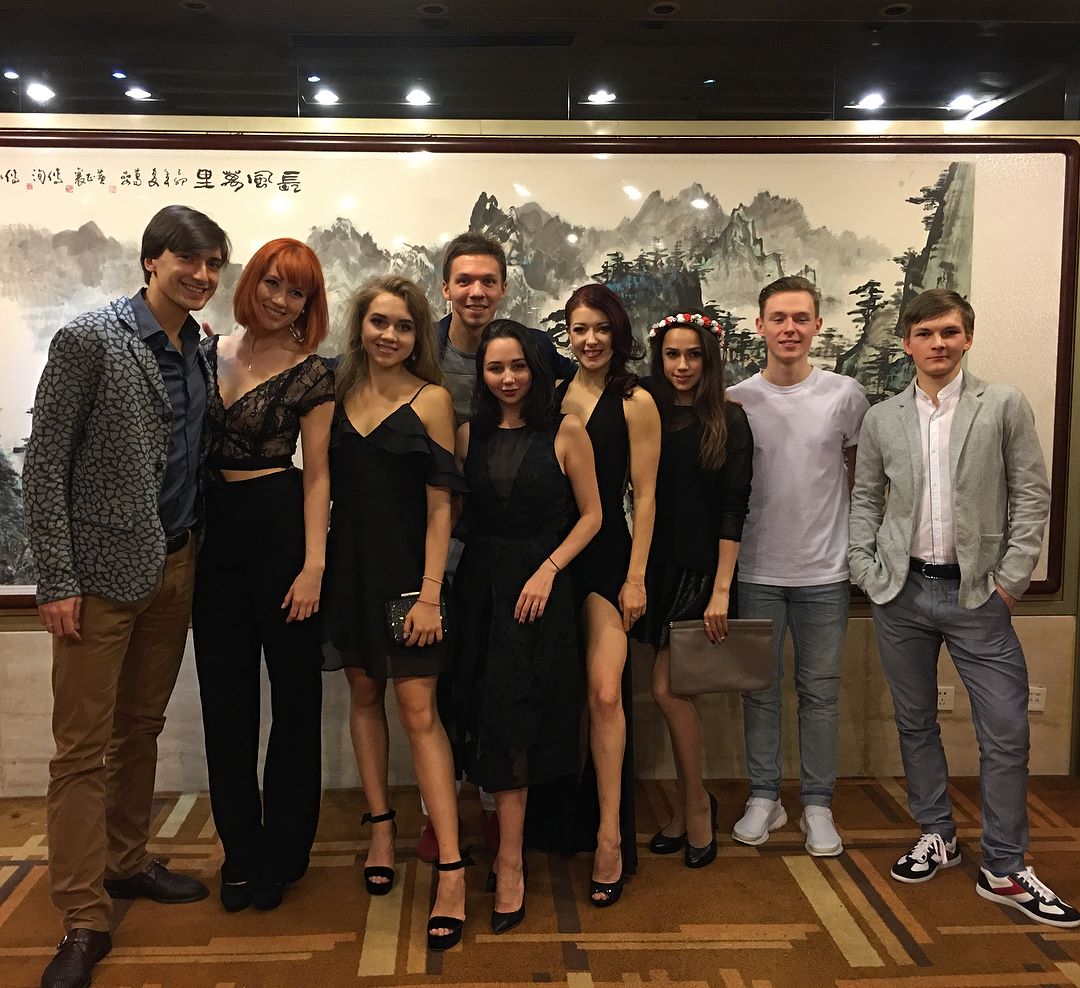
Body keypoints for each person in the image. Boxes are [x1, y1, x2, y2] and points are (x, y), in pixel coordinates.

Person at [24, 205, 230, 988]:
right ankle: (82, 915)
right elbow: (46, 464)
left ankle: (125, 859)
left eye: (213, 263)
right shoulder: (90, 339)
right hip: (96, 581)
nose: (202, 275)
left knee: (139, 729)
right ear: (152, 261)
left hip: (175, 566)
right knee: (81, 749)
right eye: (188, 260)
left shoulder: (199, 348)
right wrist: (58, 579)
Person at [849, 288, 1078, 928]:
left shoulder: (1001, 404)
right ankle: (937, 834)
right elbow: (865, 497)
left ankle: (1004, 866)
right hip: (901, 593)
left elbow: (1031, 495)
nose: (938, 343)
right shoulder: (882, 418)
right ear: (907, 344)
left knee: (1005, 730)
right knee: (915, 722)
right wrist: (864, 568)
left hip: (979, 595)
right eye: (925, 333)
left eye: (949, 332)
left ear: (967, 338)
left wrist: (1011, 582)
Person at [415, 230, 575, 863]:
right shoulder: (421, 352)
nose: (475, 292)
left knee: (499, 689)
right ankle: (438, 813)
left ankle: (490, 810)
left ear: (504, 287)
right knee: (442, 688)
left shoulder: (534, 350)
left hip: (511, 555)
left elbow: (581, 393)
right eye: (464, 280)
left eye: (487, 281)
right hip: (438, 544)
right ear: (446, 288)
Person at [320, 276, 467, 951]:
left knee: (418, 711)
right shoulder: (335, 392)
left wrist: (431, 593)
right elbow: (318, 485)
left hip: (411, 579)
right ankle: (381, 827)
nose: (390, 335)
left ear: (418, 336)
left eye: (404, 326)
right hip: (349, 574)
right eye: (380, 322)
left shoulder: (431, 399)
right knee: (363, 695)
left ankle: (452, 867)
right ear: (361, 325)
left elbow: (442, 506)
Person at [191, 238, 334, 914]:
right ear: (251, 282)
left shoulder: (313, 373)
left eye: (296, 292)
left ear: (309, 304)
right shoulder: (206, 352)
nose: (281, 300)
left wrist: (313, 566)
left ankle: (283, 851)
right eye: (273, 283)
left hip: (281, 529)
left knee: (295, 700)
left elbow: (319, 476)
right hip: (214, 534)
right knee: (226, 702)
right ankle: (240, 853)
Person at [452, 320, 601, 934]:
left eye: (518, 366)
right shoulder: (468, 433)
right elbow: (451, 513)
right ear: (482, 374)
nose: (508, 378)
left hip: (539, 592)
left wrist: (548, 569)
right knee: (481, 716)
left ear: (536, 371)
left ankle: (511, 864)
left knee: (516, 720)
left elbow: (592, 516)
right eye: (495, 368)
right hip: (478, 591)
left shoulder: (566, 431)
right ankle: (487, 848)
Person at [727, 276, 869, 856]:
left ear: (817, 326)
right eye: (779, 318)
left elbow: (864, 480)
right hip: (756, 570)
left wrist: (860, 552)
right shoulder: (736, 399)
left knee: (821, 694)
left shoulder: (845, 395)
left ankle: (816, 803)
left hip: (825, 572)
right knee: (759, 691)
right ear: (760, 325)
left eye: (801, 318)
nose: (790, 329)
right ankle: (765, 795)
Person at [552, 283, 660, 905]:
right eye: (579, 328)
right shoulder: (550, 393)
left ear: (618, 333)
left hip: (609, 560)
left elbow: (645, 497)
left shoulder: (636, 400)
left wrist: (636, 576)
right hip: (549, 556)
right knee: (555, 697)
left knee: (604, 692)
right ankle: (552, 823)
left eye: (601, 328)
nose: (590, 339)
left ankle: (611, 836)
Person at [637, 311, 753, 870]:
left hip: (701, 571)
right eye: (672, 355)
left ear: (709, 360)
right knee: (674, 691)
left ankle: (698, 806)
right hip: (651, 566)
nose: (682, 366)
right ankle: (689, 808)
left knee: (668, 690)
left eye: (693, 355)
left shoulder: (730, 419)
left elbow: (734, 508)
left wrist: (721, 590)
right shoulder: (645, 412)